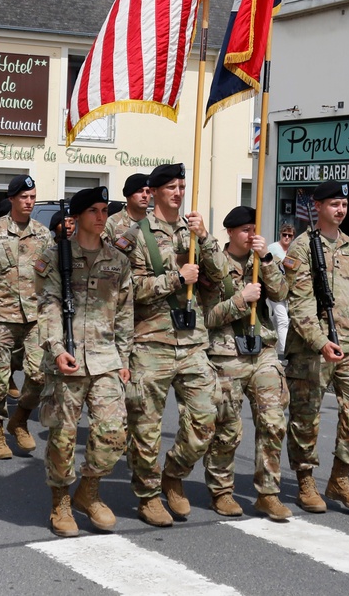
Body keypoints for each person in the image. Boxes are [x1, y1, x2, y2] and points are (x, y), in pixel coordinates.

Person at [114, 162, 224, 527]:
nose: (178, 192)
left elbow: (221, 279)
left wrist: (205, 238)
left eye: (182, 186)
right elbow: (129, 291)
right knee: (145, 427)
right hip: (150, 342)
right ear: (156, 191)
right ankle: (147, 495)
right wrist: (177, 278)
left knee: (207, 417)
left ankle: (173, 474)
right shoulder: (134, 234)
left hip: (192, 341)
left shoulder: (192, 231)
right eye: (171, 187)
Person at [36, 186, 133, 536]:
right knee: (62, 435)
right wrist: (57, 348)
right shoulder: (55, 257)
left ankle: (88, 491)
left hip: (106, 357)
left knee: (113, 432)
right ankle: (60, 500)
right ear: (76, 217)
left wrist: (124, 358)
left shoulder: (118, 260)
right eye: (94, 210)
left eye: (105, 210)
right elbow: (47, 306)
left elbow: (124, 313)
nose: (102, 216)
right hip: (70, 357)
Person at [283, 180, 349, 513]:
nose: (340, 210)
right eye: (334, 204)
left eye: (344, 205)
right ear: (317, 207)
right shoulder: (302, 247)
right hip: (312, 346)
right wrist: (320, 342)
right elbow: (299, 304)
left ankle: (340, 478)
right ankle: (305, 481)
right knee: (305, 418)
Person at [201, 206, 291, 521]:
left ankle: (268, 493)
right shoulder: (214, 265)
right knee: (227, 428)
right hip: (227, 354)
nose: (251, 235)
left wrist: (265, 259)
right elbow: (207, 317)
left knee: (273, 421)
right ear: (230, 232)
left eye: (255, 228)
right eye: (244, 230)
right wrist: (241, 300)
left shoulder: (261, 261)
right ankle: (221, 491)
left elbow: (281, 294)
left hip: (262, 349)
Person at [0, 175, 54, 459]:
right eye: (24, 197)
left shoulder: (43, 234)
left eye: (33, 196)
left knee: (39, 374)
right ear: (12, 199)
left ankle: (19, 419)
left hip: (34, 317)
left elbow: (49, 276)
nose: (29, 202)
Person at [266, 223, 295, 354]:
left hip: (287, 289)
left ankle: (274, 346)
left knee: (278, 320)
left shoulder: (293, 250)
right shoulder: (273, 248)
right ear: (280, 234)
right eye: (285, 235)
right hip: (274, 288)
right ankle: (283, 351)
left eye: (290, 235)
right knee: (283, 319)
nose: (287, 237)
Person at [104, 172, 150, 242]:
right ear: (128, 194)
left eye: (148, 192)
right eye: (139, 191)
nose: (145, 195)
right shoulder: (112, 223)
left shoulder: (155, 223)